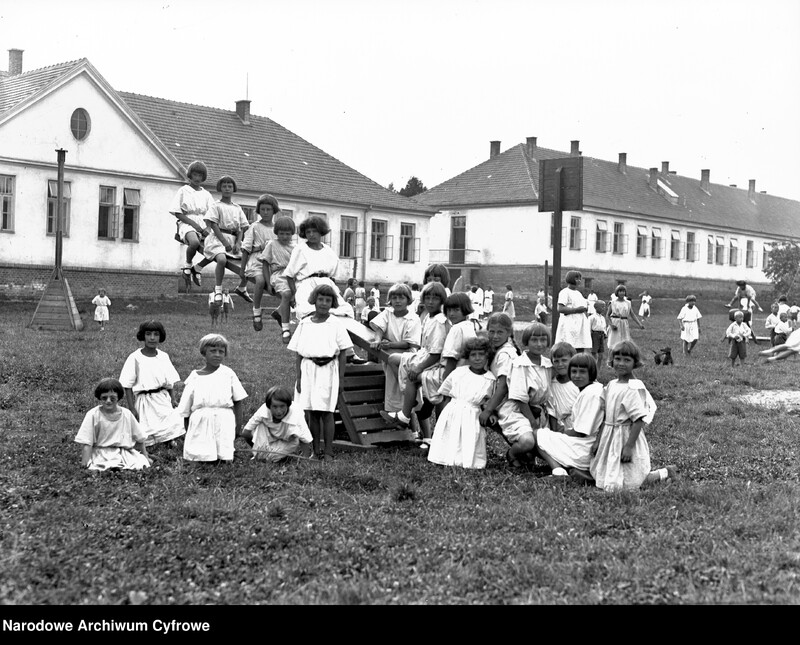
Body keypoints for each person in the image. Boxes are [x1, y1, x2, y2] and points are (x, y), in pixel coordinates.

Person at [589, 340, 677, 492]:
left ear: (635, 363)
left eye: (627, 360)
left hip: (625, 436)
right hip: (609, 436)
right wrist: (598, 440)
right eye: (618, 359)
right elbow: (606, 416)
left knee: (633, 479)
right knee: (607, 474)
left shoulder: (633, 387)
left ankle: (665, 473)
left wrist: (629, 446)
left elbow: (638, 420)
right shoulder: (611, 385)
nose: (621, 363)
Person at [287, 284, 354, 460]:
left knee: (326, 411)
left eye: (328, 300)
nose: (324, 303)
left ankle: (329, 451)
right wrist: (299, 378)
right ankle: (315, 451)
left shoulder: (335, 323)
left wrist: (340, 378)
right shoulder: (305, 323)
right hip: (308, 369)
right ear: (314, 301)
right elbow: (299, 353)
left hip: (328, 370)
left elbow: (343, 352)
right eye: (321, 299)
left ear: (332, 302)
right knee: (312, 412)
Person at [383, 281, 449, 441]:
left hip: (432, 361)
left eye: (435, 298)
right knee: (392, 359)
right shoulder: (428, 317)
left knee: (397, 361)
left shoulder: (439, 321)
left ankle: (406, 412)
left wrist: (419, 368)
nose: (431, 302)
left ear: (442, 301)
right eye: (428, 298)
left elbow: (435, 353)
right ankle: (409, 400)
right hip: (423, 355)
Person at [427, 335, 496, 470]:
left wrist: (491, 413)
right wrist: (443, 416)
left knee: (470, 437)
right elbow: (446, 395)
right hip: (453, 409)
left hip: (472, 413)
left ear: (487, 356)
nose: (477, 358)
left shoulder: (490, 379)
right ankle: (444, 457)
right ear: (467, 357)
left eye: (481, 354)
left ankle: (467, 460)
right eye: (473, 355)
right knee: (450, 434)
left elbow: (487, 402)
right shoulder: (459, 372)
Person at [177, 334, 248, 464]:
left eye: (221, 352)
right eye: (213, 351)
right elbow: (186, 408)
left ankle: (223, 456)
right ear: (204, 353)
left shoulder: (228, 373)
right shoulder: (195, 377)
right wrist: (188, 430)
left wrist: (238, 427)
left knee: (224, 452)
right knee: (200, 453)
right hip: (201, 418)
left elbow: (238, 401)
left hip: (224, 417)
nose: (217, 355)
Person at [534, 353, 604, 481]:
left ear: (592, 373)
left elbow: (581, 432)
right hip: (591, 445)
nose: (577, 376)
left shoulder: (591, 394)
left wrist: (563, 432)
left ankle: (559, 472)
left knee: (537, 434)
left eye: (582, 372)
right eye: (574, 371)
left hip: (587, 448)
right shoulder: (593, 388)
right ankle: (573, 470)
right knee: (549, 436)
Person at [119, 320, 186, 448]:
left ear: (160, 337)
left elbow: (169, 381)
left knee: (172, 420)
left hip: (162, 398)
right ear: (143, 336)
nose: (152, 338)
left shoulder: (163, 356)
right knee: (147, 429)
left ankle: (167, 439)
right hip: (145, 400)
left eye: (156, 334)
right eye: (148, 334)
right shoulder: (135, 358)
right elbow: (127, 385)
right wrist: (132, 408)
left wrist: (173, 399)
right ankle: (152, 441)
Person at [501, 322, 552, 468]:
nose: (539, 344)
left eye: (543, 340)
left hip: (538, 410)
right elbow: (520, 398)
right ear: (526, 342)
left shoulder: (547, 364)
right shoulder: (520, 364)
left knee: (548, 444)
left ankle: (528, 456)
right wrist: (533, 422)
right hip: (518, 410)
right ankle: (512, 454)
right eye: (534, 340)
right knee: (528, 441)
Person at [75, 378, 152, 471]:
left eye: (112, 398)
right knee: (100, 467)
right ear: (99, 397)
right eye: (104, 398)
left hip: (123, 452)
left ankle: (121, 468)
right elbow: (87, 443)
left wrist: (145, 457)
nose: (108, 401)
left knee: (140, 463)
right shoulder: (93, 415)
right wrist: (84, 465)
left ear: (118, 397)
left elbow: (140, 438)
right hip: (102, 453)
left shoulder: (127, 414)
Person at [369, 283, 421, 414]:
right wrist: (377, 340)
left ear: (408, 300)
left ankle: (412, 430)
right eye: (394, 298)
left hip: (406, 356)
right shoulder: (388, 313)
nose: (397, 301)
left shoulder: (413, 318)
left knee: (406, 392)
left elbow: (408, 343)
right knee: (392, 391)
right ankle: (395, 420)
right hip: (390, 356)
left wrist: (390, 344)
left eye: (401, 298)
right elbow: (380, 328)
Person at [203, 176, 251, 307]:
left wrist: (238, 243)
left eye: (229, 186)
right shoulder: (216, 205)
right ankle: (218, 288)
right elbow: (213, 225)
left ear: (233, 189)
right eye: (224, 186)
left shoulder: (237, 208)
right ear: (220, 189)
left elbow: (241, 228)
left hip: (233, 240)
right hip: (218, 239)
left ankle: (242, 287)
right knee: (222, 260)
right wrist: (225, 243)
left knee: (249, 261)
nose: (227, 189)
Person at [169, 160, 216, 287]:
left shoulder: (206, 194)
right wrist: (195, 226)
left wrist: (208, 227)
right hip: (187, 223)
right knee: (194, 242)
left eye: (200, 176)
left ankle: (198, 268)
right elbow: (178, 213)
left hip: (203, 224)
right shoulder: (184, 190)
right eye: (194, 175)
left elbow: (212, 214)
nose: (197, 178)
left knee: (216, 249)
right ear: (190, 175)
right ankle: (188, 265)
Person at [239, 194, 279, 330]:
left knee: (283, 285)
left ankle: (282, 312)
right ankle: (256, 312)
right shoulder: (254, 227)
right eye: (263, 209)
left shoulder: (278, 229)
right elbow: (246, 248)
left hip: (273, 264)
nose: (266, 212)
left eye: (269, 209)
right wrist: (242, 269)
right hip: (257, 262)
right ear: (258, 211)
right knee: (261, 281)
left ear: (274, 211)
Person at [241, 386, 312, 463]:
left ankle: (270, 456)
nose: (278, 411)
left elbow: (305, 439)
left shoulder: (296, 413)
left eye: (282, 406)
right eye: (274, 407)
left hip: (288, 439)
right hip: (268, 435)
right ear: (269, 406)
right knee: (261, 456)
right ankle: (260, 454)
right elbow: (246, 432)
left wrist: (305, 460)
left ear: (288, 405)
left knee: (269, 458)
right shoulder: (263, 411)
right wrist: (255, 448)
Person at [259, 216, 297, 341]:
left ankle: (279, 311)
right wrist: (268, 283)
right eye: (281, 234)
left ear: (292, 234)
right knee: (287, 294)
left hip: (294, 275)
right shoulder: (272, 244)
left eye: (288, 234)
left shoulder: (296, 247)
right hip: (279, 274)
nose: (285, 237)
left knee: (301, 296)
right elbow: (265, 264)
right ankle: (285, 329)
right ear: (276, 233)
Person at [545, 342, 579, 434]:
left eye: (564, 360)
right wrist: (554, 429)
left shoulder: (578, 383)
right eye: (556, 361)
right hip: (558, 426)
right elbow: (551, 408)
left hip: (576, 425)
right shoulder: (551, 383)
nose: (560, 364)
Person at [555, 270, 591, 353]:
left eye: (580, 279)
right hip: (569, 323)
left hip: (579, 323)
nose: (579, 280)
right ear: (570, 279)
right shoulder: (565, 292)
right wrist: (576, 310)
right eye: (576, 278)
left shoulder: (578, 293)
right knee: (569, 346)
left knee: (579, 345)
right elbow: (560, 308)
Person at [606, 284, 644, 358]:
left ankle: (620, 358)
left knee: (624, 342)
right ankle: (610, 360)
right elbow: (607, 315)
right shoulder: (613, 303)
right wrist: (611, 325)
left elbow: (632, 314)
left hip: (624, 323)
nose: (622, 293)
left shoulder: (628, 303)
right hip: (615, 323)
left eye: (623, 291)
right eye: (620, 291)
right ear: (617, 292)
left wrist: (639, 324)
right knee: (613, 342)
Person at [589, 300, 608, 365]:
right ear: (596, 307)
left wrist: (605, 333)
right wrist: (589, 336)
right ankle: (593, 366)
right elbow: (589, 327)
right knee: (594, 353)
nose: (604, 308)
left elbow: (604, 326)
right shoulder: (592, 317)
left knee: (601, 354)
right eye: (602, 306)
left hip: (601, 335)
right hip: (595, 335)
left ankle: (598, 368)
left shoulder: (602, 318)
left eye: (604, 307)